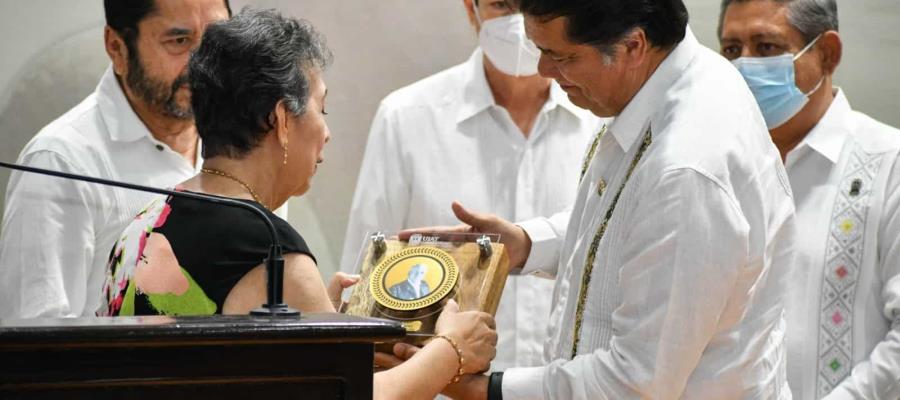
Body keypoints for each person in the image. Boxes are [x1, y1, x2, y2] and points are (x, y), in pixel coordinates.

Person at [384, 0, 798, 398]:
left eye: (560, 57)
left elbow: (633, 384)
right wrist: (525, 244)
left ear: (632, 46)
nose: (543, 69)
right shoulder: (669, 78)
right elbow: (631, 227)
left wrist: (479, 389)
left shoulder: (687, 168)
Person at [97, 9, 498, 400]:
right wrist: (452, 349)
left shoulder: (148, 220)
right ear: (282, 120)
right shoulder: (270, 250)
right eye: (320, 109)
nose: (326, 132)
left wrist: (314, 315)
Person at [341, 0, 601, 372]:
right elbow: (365, 280)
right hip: (440, 387)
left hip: (569, 384)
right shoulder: (408, 118)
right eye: (501, 5)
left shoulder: (601, 123)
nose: (519, 23)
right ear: (471, 9)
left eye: (531, 5)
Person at [0, 0, 231, 318]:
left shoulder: (248, 142)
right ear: (117, 48)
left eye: (216, 41)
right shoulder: (59, 163)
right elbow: (38, 347)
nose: (205, 64)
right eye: (179, 41)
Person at [719, 1, 900, 398]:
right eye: (731, 50)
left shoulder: (889, 163)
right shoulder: (719, 168)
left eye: (766, 47)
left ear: (827, 53)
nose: (744, 67)